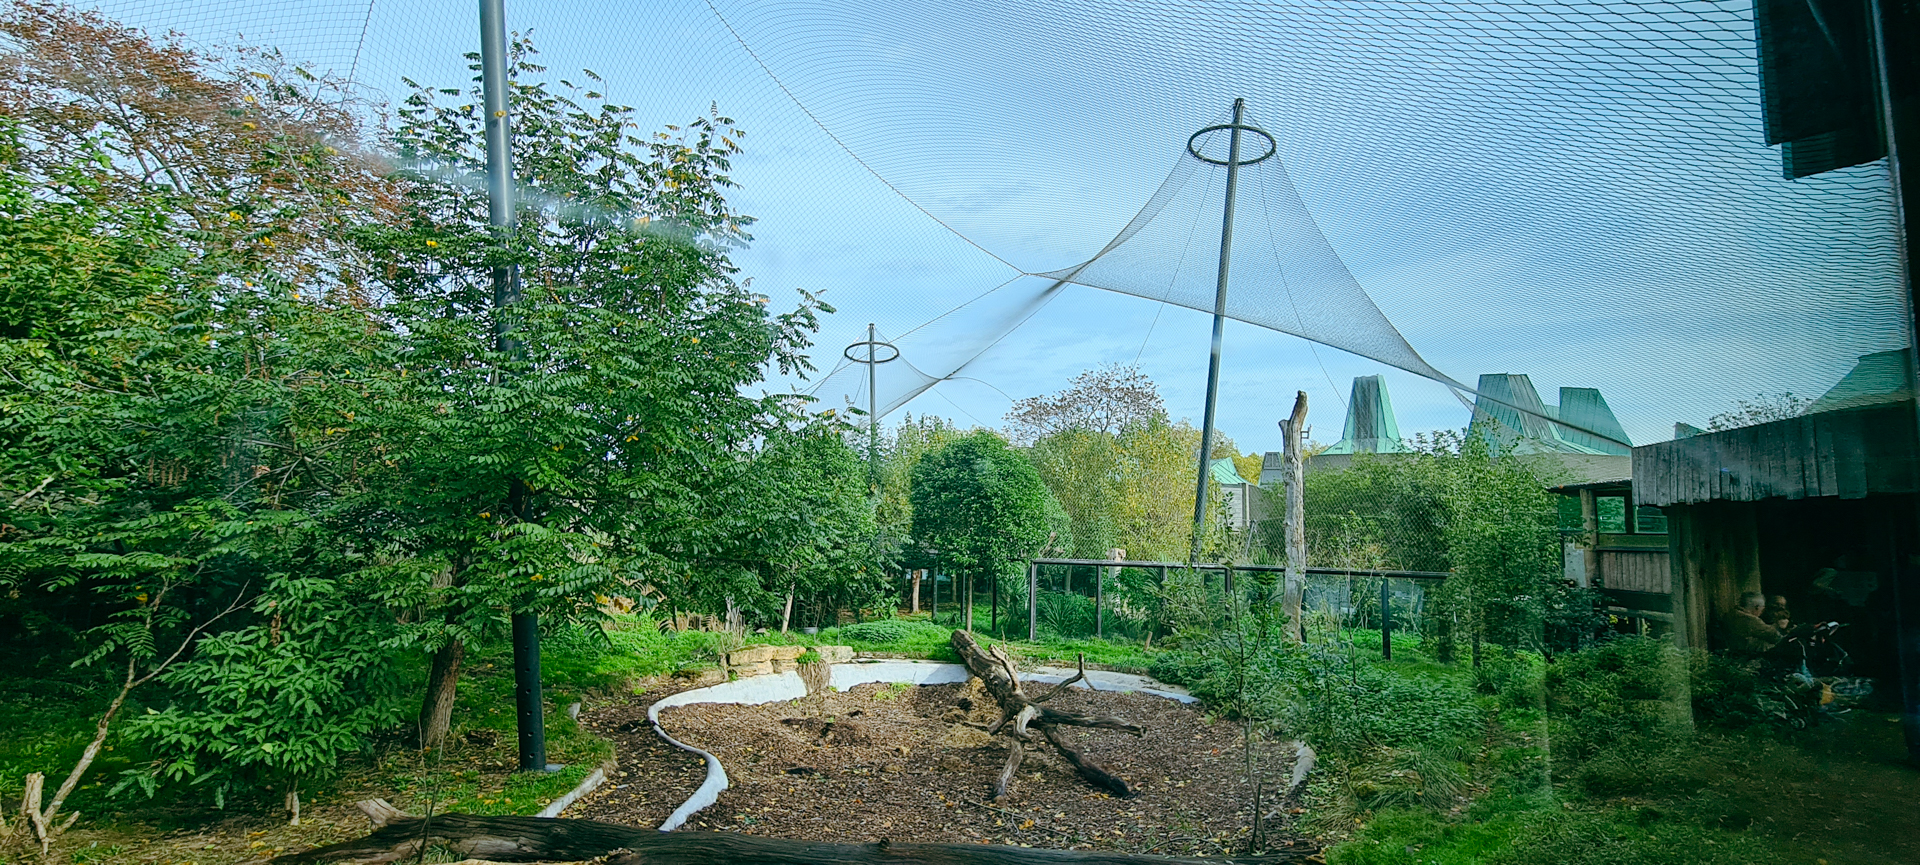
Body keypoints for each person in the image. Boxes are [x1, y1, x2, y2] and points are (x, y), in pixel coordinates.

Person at [1724, 591, 1786, 656]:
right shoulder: (1749, 619)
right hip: (1745, 653)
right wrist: (1779, 627)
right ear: (1757, 608)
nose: (1762, 612)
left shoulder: (1731, 614)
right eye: (1762, 609)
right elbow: (1773, 634)